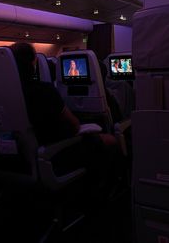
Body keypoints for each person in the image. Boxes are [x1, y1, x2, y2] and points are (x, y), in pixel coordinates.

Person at [10, 42, 124, 195]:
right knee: (110, 140)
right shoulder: (43, 91)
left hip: (21, 159)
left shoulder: (5, 93)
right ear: (31, 64)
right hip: (55, 154)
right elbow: (74, 126)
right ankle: (103, 194)